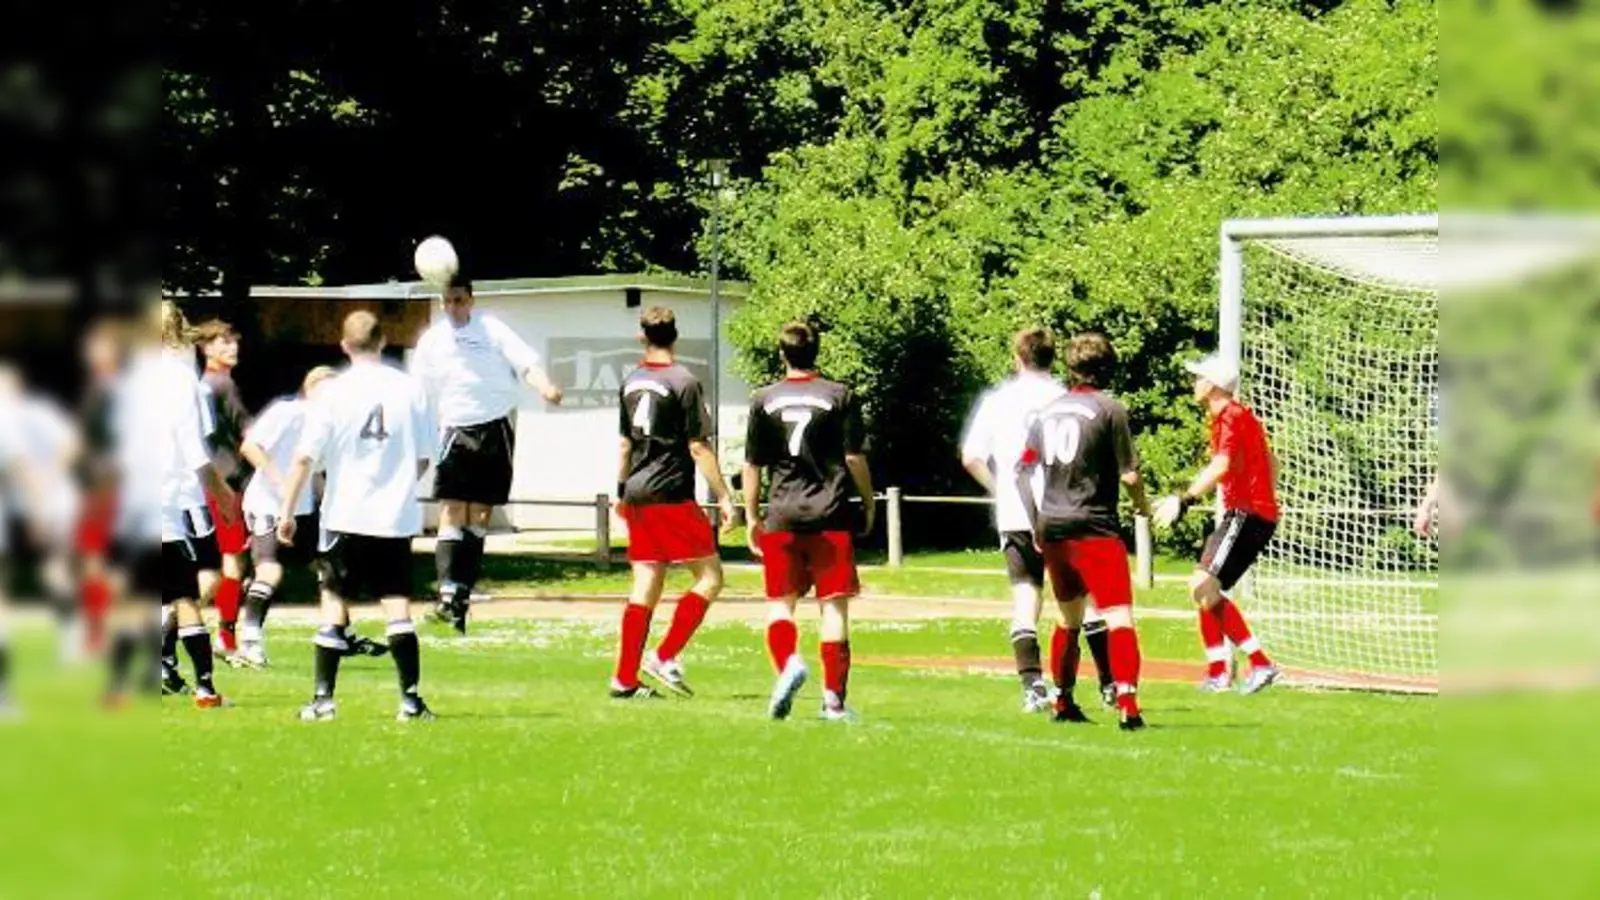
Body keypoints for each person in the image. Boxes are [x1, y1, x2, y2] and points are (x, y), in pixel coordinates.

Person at [277, 311, 437, 722]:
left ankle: (323, 701)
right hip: (395, 518)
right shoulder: (409, 388)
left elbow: (303, 458)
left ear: (344, 346)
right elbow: (423, 457)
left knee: (333, 599)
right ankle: (410, 701)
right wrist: (398, 482)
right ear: (383, 342)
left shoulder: (332, 392)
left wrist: (286, 512)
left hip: (344, 514)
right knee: (397, 603)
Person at [960, 327, 1116, 714]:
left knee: (1026, 597)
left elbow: (971, 456)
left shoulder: (998, 401)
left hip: (1016, 511)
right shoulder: (1063, 397)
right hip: (1065, 509)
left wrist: (999, 490)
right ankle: (1109, 683)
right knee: (1082, 603)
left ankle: (1033, 686)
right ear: (1053, 357)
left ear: (1017, 357)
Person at [409, 273, 563, 633]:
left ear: (472, 300)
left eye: (459, 300)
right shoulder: (433, 339)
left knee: (479, 515)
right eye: (447, 301)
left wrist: (546, 387)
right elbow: (418, 388)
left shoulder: (492, 328)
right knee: (452, 509)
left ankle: (462, 595)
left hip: (495, 426)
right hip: (454, 427)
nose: (452, 307)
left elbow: (526, 363)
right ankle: (446, 592)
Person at [1016, 332, 1153, 730]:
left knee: (1068, 618)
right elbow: (1129, 474)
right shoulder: (1110, 409)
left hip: (1053, 526)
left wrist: (1036, 519)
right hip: (1094, 526)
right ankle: (1127, 702)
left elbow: (1023, 470)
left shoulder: (1046, 412)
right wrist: (1142, 506)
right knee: (1119, 617)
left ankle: (1063, 699)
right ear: (1107, 368)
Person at [743, 322, 875, 721]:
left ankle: (788, 665)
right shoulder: (839, 395)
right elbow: (854, 457)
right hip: (830, 514)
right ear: (817, 351)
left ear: (782, 354)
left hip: (782, 513)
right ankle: (833, 701)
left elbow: (752, 464)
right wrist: (868, 501)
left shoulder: (764, 399)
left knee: (781, 605)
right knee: (833, 608)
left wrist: (752, 515)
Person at [610, 308, 738, 699]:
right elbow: (698, 445)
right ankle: (664, 655)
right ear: (675, 336)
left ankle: (624, 678)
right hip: (670, 494)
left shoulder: (631, 381)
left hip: (637, 492)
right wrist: (723, 495)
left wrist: (620, 491)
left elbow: (624, 444)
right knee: (711, 578)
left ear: (642, 337)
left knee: (646, 584)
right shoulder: (684, 381)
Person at [1153, 354, 1282, 695]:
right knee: (1203, 590)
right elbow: (1272, 461)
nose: (1193, 384)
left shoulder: (1230, 416)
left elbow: (1221, 465)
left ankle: (1258, 664)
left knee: (1202, 586)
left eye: (1198, 378)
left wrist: (1185, 499)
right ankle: (1220, 673)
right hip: (1253, 513)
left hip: (1246, 514)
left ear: (1212, 385)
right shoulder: (1240, 417)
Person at [145, 300, 237, 706]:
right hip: (171, 500)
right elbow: (195, 448)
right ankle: (204, 685)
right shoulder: (179, 379)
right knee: (188, 592)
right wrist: (223, 494)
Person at [194, 319, 253, 658]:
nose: (232, 347)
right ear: (206, 349)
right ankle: (225, 637)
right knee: (232, 563)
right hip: (227, 483)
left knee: (217, 563)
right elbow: (247, 434)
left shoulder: (201, 386)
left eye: (233, 341)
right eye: (223, 342)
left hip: (207, 482)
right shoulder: (222, 386)